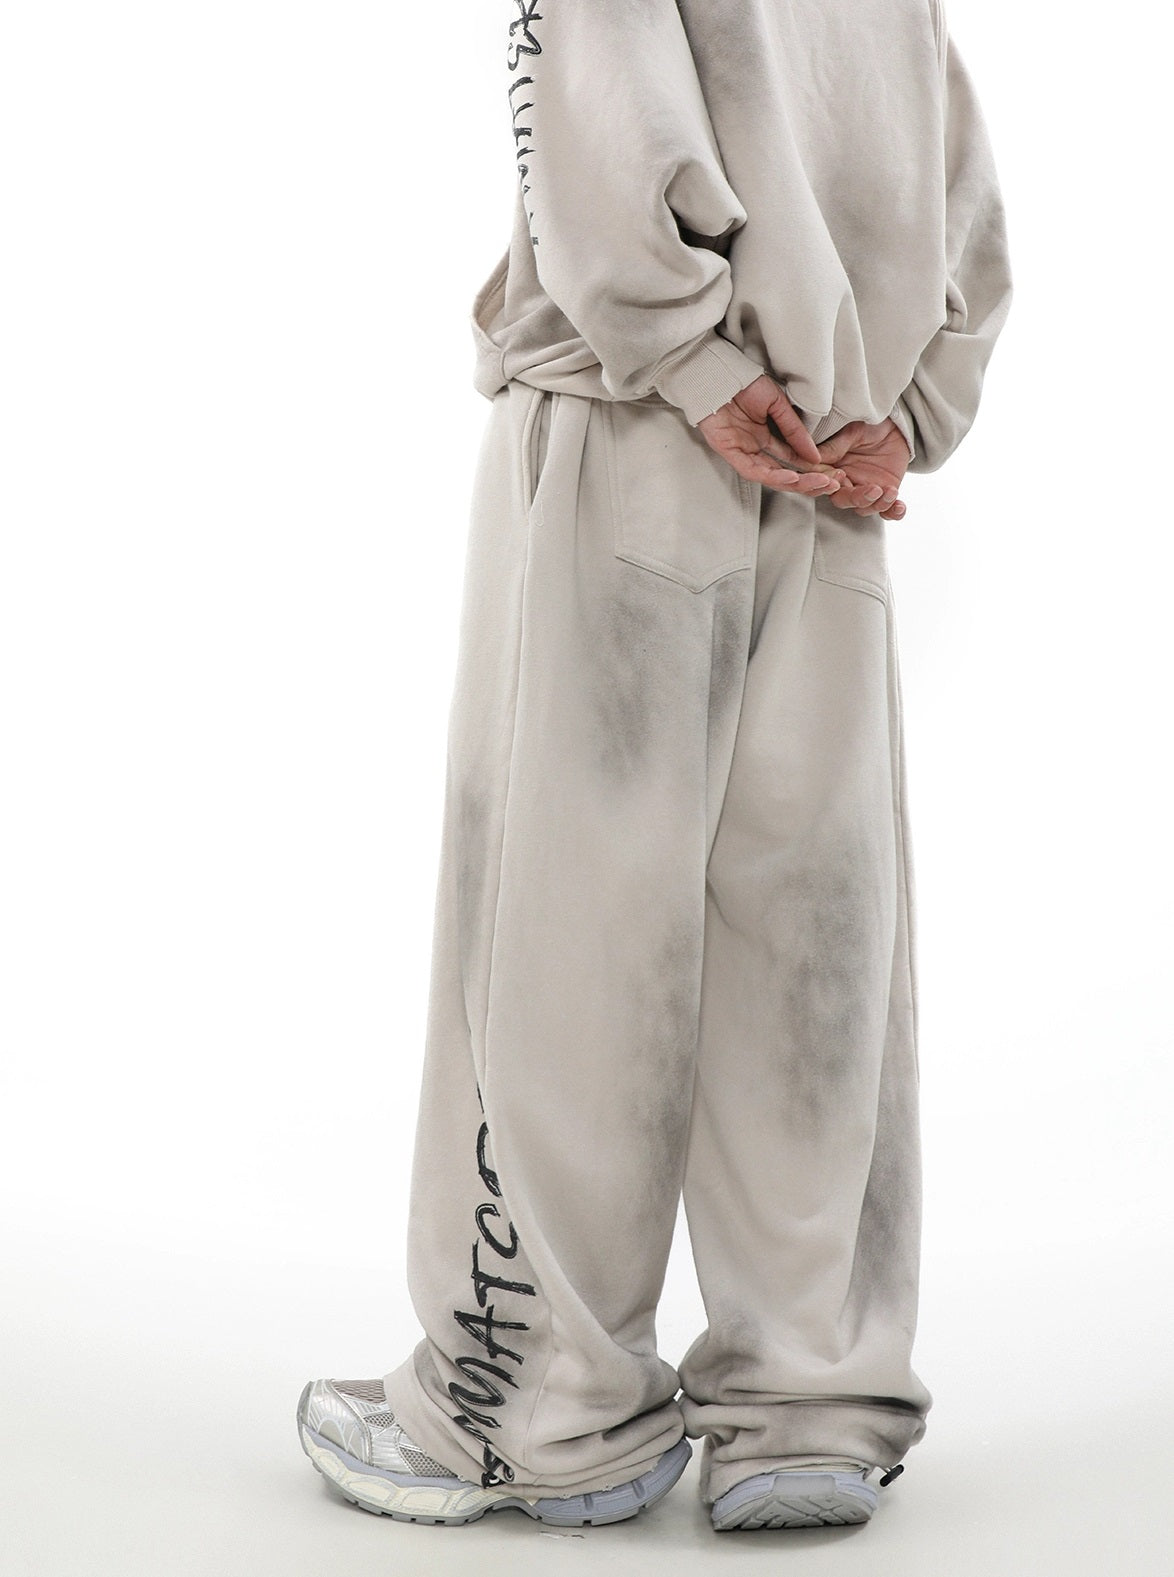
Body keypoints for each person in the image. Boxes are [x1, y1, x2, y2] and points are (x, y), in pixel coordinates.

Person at [296, 0, 1012, 1534]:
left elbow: (590, 89)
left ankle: (536, 1408)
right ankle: (806, 1398)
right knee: (812, 936)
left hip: (635, 431)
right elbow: (950, 166)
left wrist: (682, 352)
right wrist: (909, 405)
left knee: (565, 930)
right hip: (832, 455)